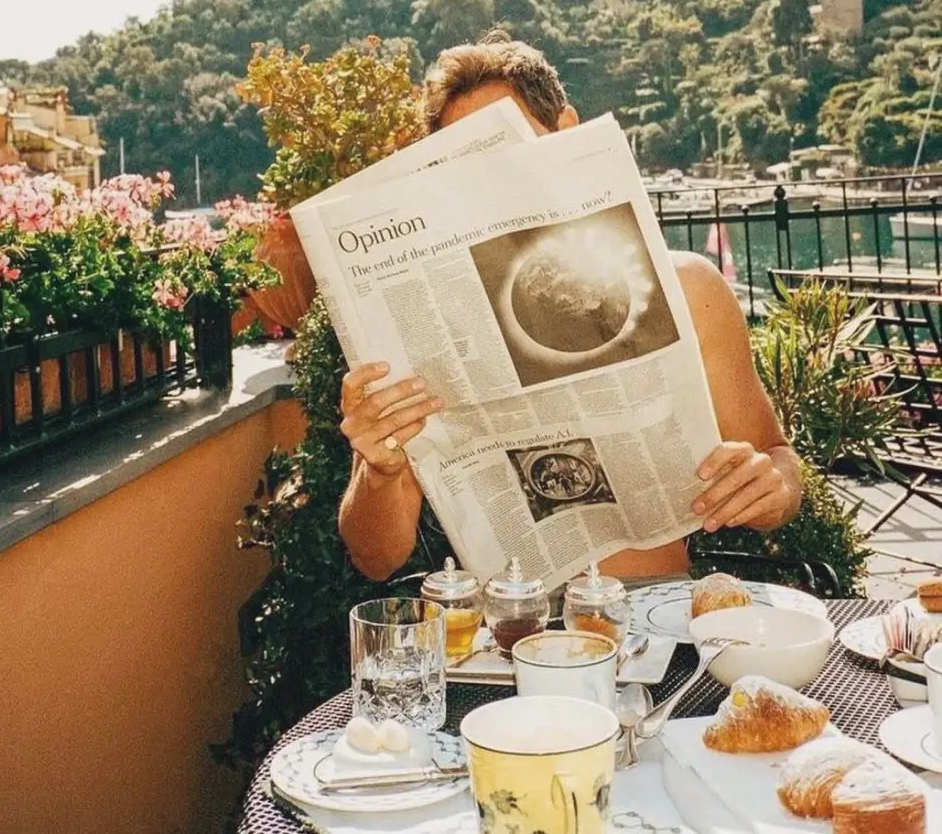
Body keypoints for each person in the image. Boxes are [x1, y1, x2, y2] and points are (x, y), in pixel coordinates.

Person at [338, 32, 802, 581]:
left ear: (566, 131)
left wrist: (773, 486)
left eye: (504, 150)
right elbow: (375, 557)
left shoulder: (689, 289)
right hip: (512, 633)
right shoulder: (424, 328)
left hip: (655, 621)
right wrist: (379, 468)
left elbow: (777, 458)